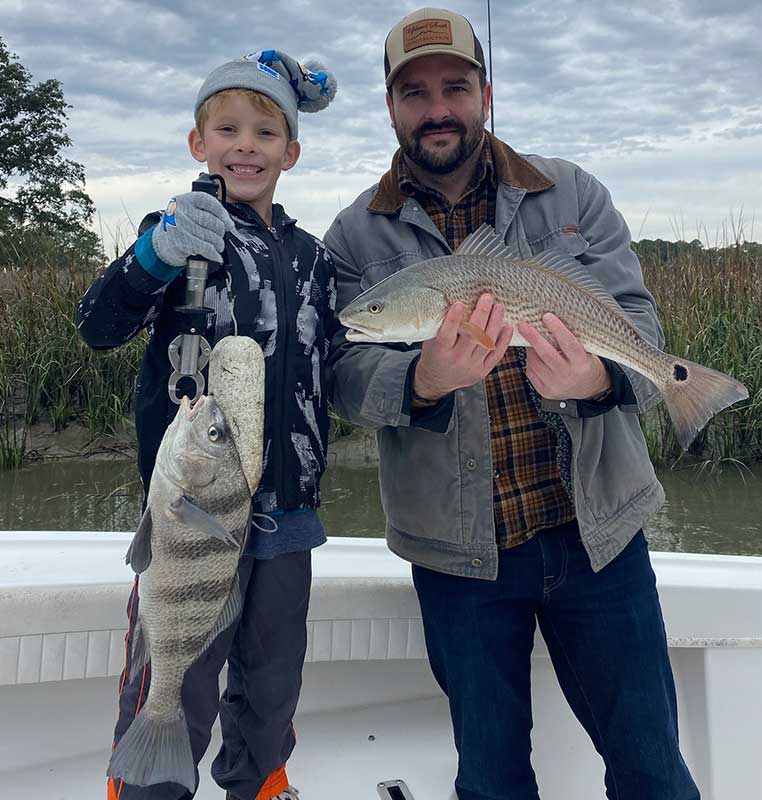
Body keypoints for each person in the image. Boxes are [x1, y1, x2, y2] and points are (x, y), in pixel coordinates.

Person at [325, 7, 699, 800]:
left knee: (654, 772)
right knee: (491, 782)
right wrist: (419, 380)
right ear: (390, 107)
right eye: (414, 92)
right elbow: (342, 369)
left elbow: (641, 327)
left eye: (454, 86)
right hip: (460, 559)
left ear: (484, 95)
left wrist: (597, 382)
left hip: (596, 534)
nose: (436, 109)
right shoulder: (355, 235)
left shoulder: (572, 193)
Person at [77, 49, 338, 800]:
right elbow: (98, 325)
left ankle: (262, 783)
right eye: (228, 128)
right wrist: (153, 255)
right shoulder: (180, 233)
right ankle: (145, 788)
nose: (246, 145)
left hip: (286, 517)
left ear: (292, 151)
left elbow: (344, 366)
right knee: (176, 672)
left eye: (266, 131)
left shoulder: (316, 260)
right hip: (190, 513)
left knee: (272, 677)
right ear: (199, 144)